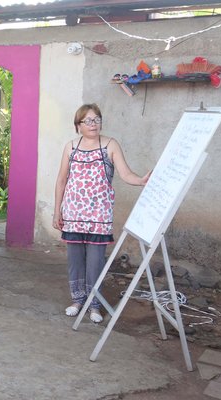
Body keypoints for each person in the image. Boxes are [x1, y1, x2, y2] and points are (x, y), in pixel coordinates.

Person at [53, 104, 150, 324]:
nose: (93, 124)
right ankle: (78, 301)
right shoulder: (70, 147)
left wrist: (142, 181)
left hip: (99, 216)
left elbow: (125, 174)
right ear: (78, 125)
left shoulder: (109, 145)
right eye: (87, 120)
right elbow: (61, 181)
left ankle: (94, 304)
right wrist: (56, 210)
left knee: (96, 261)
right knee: (75, 261)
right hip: (73, 214)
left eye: (96, 119)